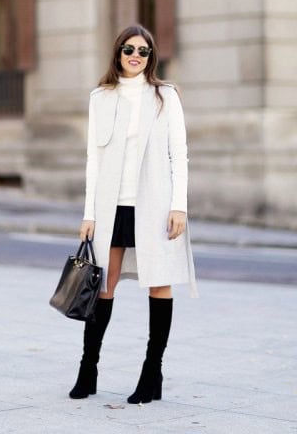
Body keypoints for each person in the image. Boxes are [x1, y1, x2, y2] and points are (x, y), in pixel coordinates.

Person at [69, 24, 198, 404]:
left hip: (155, 204)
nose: (135, 56)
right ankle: (87, 369)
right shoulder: (101, 97)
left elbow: (180, 154)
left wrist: (179, 206)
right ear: (117, 53)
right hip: (112, 205)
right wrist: (89, 212)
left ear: (151, 56)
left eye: (143, 51)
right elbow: (94, 158)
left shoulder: (165, 96)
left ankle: (151, 373)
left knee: (159, 283)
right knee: (102, 286)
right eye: (128, 49)